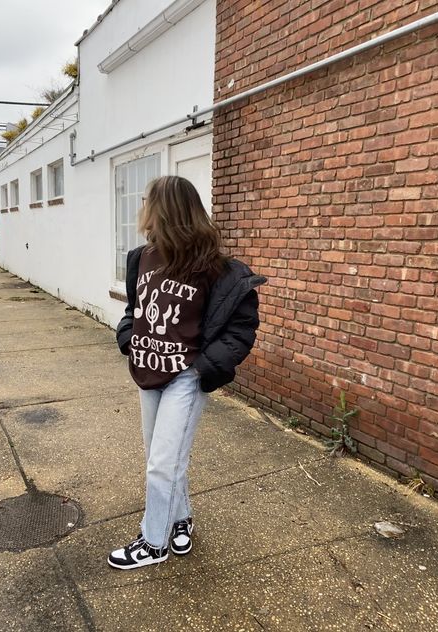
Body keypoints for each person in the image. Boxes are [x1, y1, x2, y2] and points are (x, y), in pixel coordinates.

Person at [108, 175, 266, 570]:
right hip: (147, 372)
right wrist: (128, 337)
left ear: (167, 209)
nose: (143, 209)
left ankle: (153, 541)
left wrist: (202, 369)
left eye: (148, 201)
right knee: (164, 457)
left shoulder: (215, 267)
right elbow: (135, 310)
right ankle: (181, 520)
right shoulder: (140, 258)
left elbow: (241, 327)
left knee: (162, 462)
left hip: (185, 376)